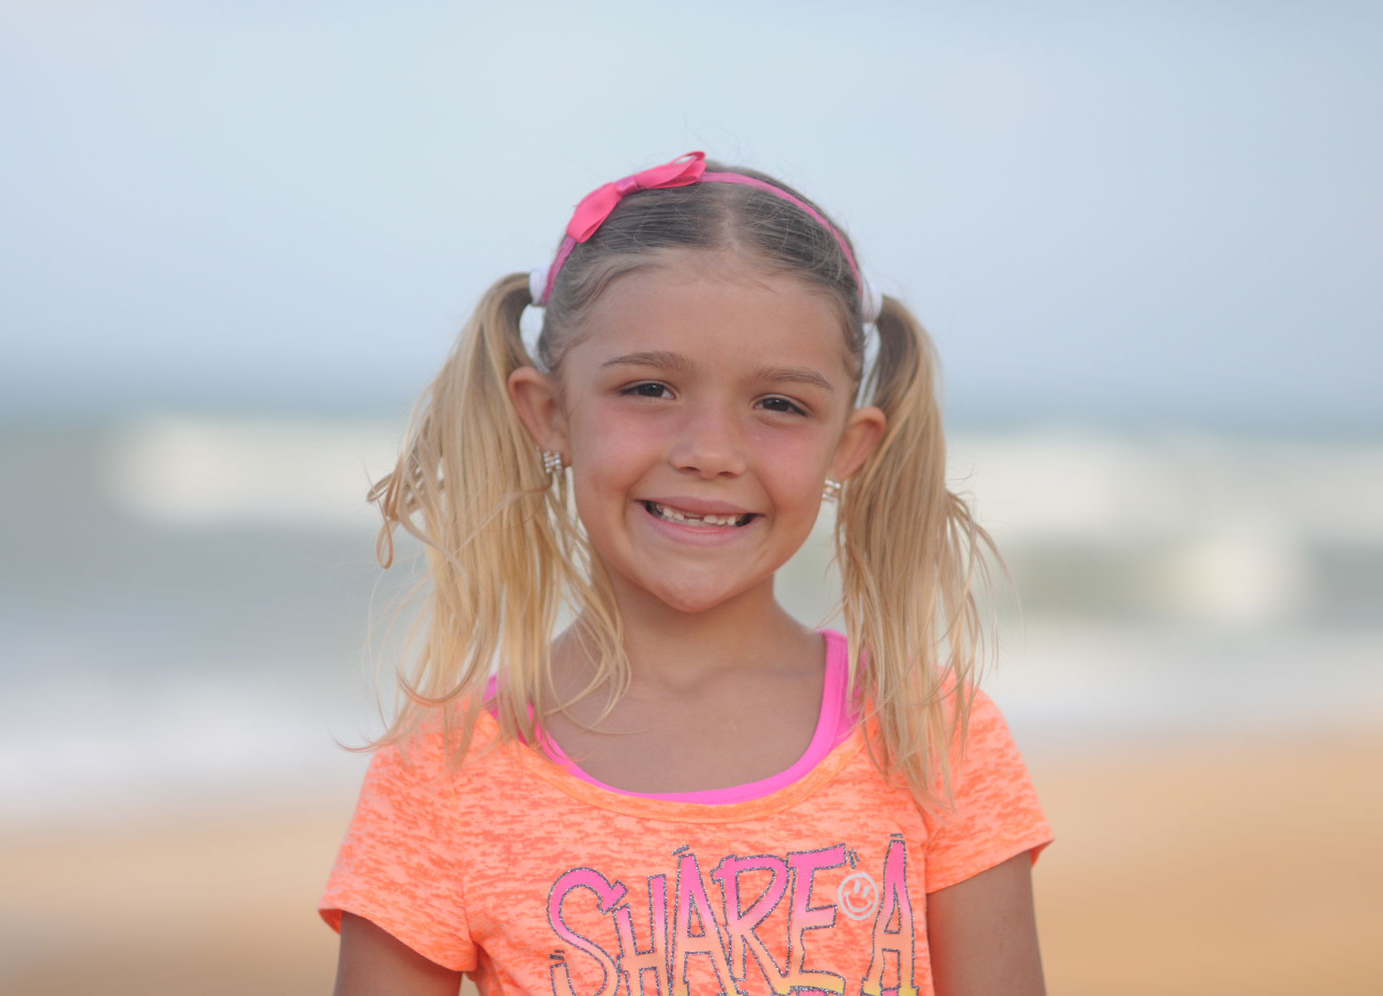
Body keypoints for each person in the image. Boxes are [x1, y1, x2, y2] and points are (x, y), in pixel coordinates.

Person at [320, 151, 1052, 996]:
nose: (709, 451)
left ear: (849, 448)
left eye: (779, 404)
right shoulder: (443, 776)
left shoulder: (935, 739)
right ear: (549, 413)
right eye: (649, 388)